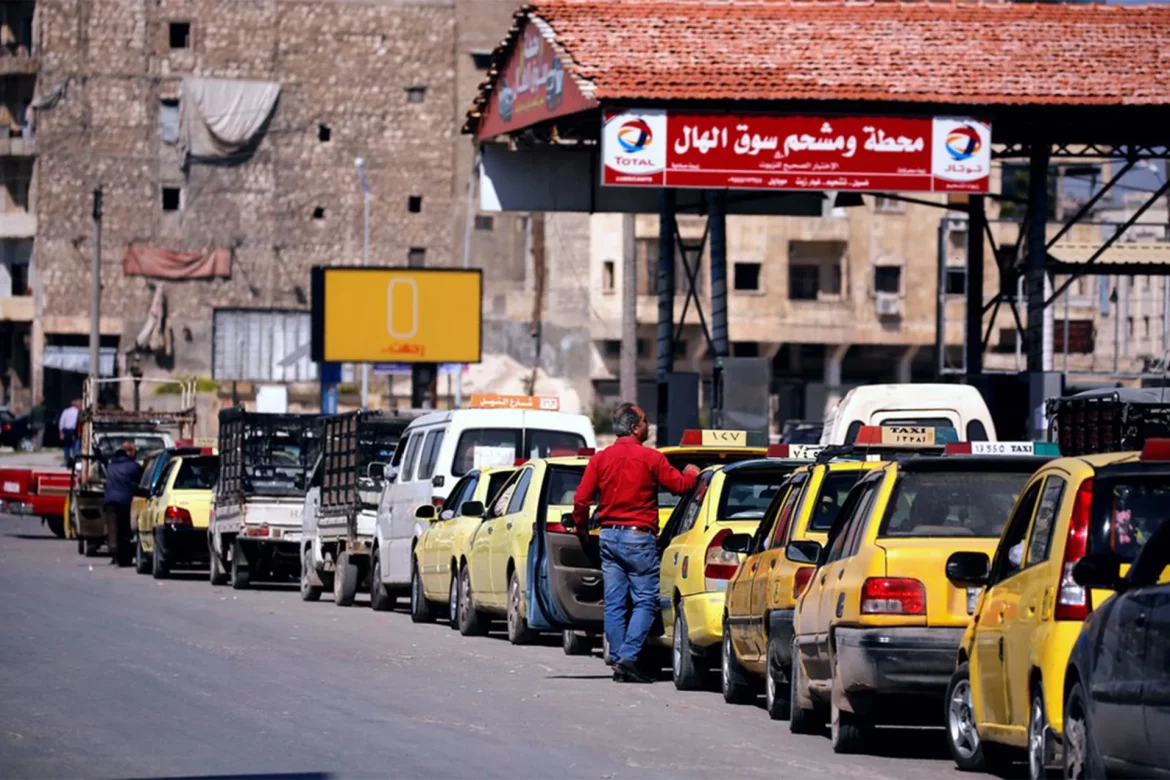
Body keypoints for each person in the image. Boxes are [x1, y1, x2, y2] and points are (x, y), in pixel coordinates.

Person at [572, 403, 699, 684]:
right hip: (637, 537)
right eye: (644, 421)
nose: (649, 424)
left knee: (615, 602)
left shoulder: (600, 460)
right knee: (645, 601)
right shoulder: (650, 458)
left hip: (608, 536)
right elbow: (680, 486)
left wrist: (581, 529)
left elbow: (581, 499)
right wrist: (691, 473)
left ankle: (619, 659)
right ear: (634, 427)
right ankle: (628, 658)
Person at [103, 441, 143, 567]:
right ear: (129, 452)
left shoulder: (110, 466)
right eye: (134, 451)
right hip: (126, 502)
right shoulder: (133, 466)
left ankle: (115, 554)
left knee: (113, 529)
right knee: (125, 530)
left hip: (110, 501)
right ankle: (124, 556)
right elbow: (141, 481)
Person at [58, 398, 80, 466]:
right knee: (75, 446)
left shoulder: (66, 411)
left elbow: (61, 422)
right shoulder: (78, 412)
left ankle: (66, 461)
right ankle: (75, 461)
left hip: (66, 430)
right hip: (74, 430)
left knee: (66, 446)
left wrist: (61, 431)